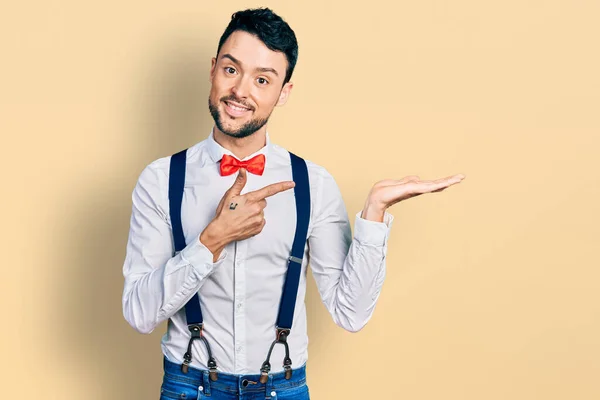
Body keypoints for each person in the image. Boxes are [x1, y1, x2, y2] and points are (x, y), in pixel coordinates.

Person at [121, 7, 465, 400]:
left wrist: (374, 214)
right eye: (232, 70)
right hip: (189, 387)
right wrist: (211, 241)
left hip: (281, 390)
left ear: (283, 92)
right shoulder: (161, 179)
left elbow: (349, 313)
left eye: (262, 79)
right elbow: (138, 312)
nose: (240, 91)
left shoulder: (312, 184)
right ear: (214, 69)